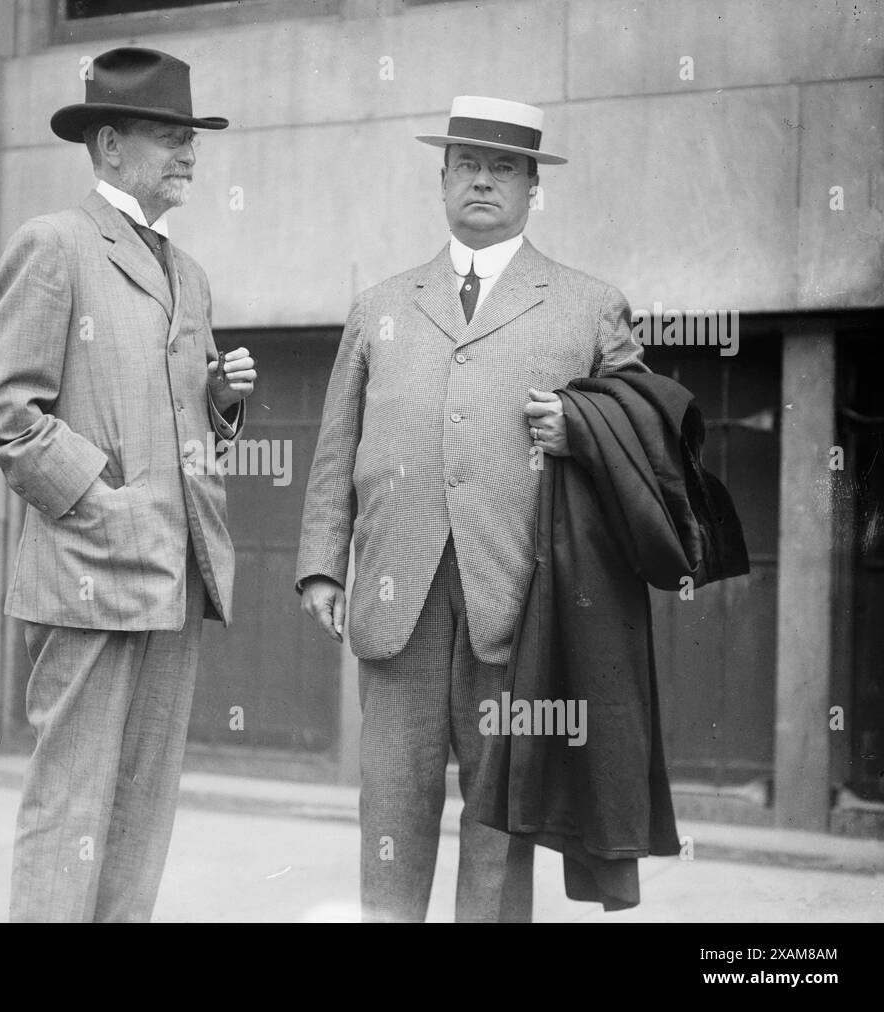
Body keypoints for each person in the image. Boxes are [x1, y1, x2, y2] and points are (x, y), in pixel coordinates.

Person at [296, 95, 646, 922]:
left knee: (499, 826)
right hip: (397, 596)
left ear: (534, 189)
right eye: (466, 165)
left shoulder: (589, 304)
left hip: (520, 601)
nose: (482, 181)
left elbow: (648, 436)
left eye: (504, 168)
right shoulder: (380, 305)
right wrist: (320, 562)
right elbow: (334, 446)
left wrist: (584, 426)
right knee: (390, 809)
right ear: (442, 180)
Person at [0, 47, 256, 922]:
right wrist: (106, 505)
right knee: (73, 809)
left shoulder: (188, 272)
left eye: (191, 137)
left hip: (175, 573)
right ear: (109, 147)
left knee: (141, 812)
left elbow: (170, 412)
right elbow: (0, 413)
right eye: (169, 136)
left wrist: (222, 403)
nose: (189, 154)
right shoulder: (54, 245)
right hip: (93, 572)